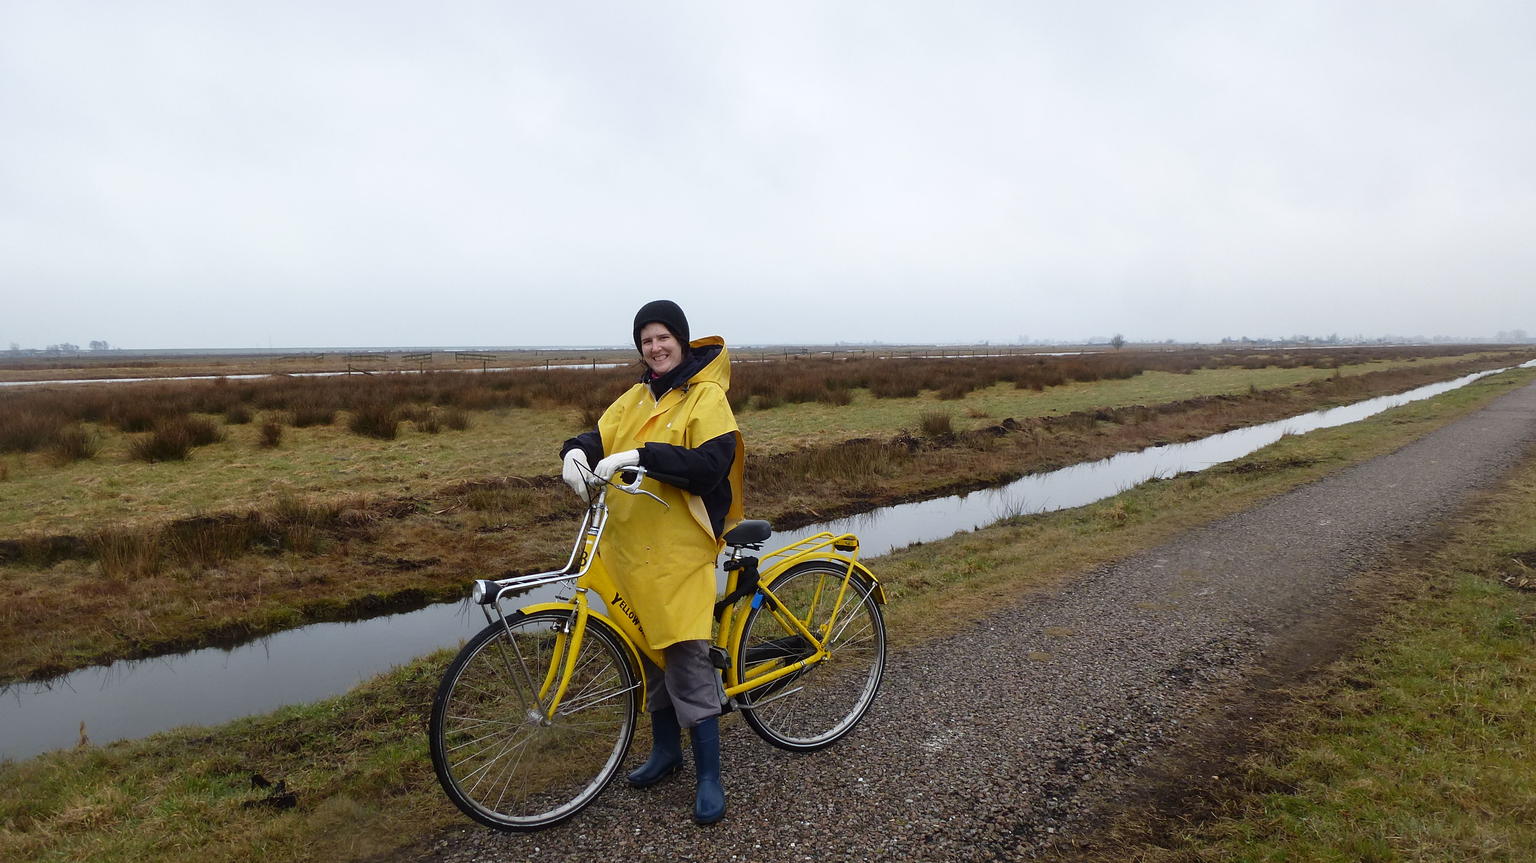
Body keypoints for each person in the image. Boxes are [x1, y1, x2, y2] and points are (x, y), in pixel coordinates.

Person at [559, 299, 745, 826]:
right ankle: (666, 753)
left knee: (685, 657)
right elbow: (598, 435)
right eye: (646, 341)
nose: (655, 348)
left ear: (682, 340)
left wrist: (644, 456)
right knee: (645, 650)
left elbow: (711, 466)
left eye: (663, 338)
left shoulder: (706, 398)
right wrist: (574, 452)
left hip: (680, 550)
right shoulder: (637, 396)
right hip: (630, 548)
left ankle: (709, 774)